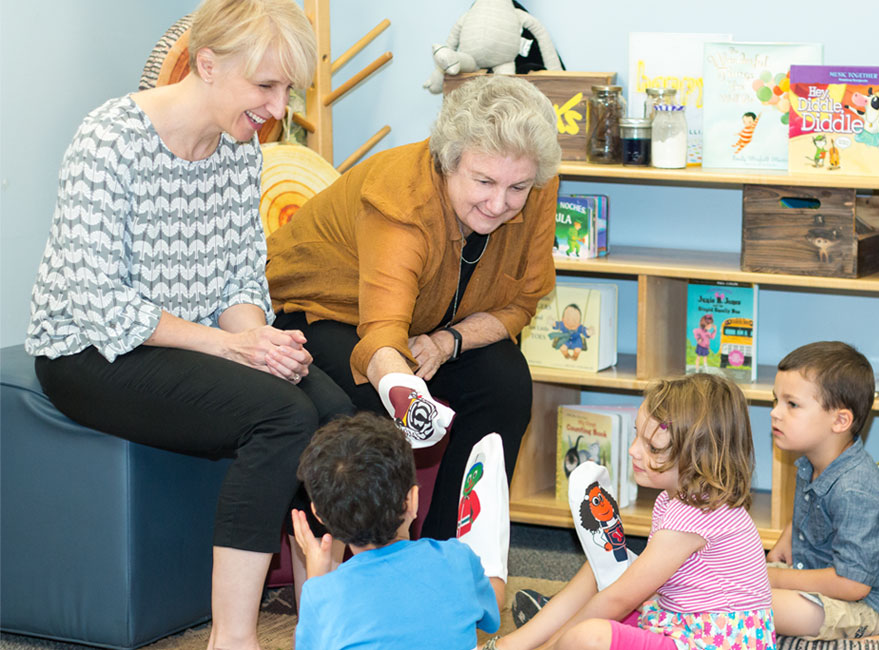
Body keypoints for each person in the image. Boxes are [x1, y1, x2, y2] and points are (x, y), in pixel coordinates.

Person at [23, 1, 352, 647]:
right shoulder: (110, 139)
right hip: (91, 349)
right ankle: (232, 638)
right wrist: (231, 347)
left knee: (336, 412)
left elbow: (238, 277)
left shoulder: (239, 149)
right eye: (266, 86)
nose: (278, 107)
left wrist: (257, 339)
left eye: (288, 89)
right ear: (207, 63)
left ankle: (325, 622)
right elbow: (98, 299)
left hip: (198, 341)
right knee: (282, 417)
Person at [265, 74, 562, 540]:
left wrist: (448, 343)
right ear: (448, 162)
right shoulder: (400, 201)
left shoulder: (538, 183)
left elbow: (523, 301)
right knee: (370, 405)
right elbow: (382, 334)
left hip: (433, 324)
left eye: (517, 188)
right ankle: (384, 562)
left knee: (506, 382)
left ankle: (455, 550)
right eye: (483, 180)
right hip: (324, 313)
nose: (499, 203)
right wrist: (405, 395)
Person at [495, 373, 775, 650]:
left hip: (706, 641)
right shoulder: (680, 500)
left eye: (653, 447)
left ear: (699, 455)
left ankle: (546, 639)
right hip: (680, 625)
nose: (633, 451)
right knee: (602, 563)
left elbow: (618, 600)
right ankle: (512, 644)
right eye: (636, 435)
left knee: (588, 636)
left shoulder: (692, 516)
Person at [291, 412, 504, 648]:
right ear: (413, 500)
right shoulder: (457, 558)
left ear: (319, 515)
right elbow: (492, 615)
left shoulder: (322, 595)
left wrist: (316, 579)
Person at [766, 341, 879, 639]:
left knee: (761, 604)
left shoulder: (856, 490)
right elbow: (819, 511)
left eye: (791, 404)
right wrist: (790, 533)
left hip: (869, 605)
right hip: (824, 581)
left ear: (841, 420)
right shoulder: (811, 463)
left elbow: (852, 584)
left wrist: (781, 579)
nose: (775, 413)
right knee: (734, 581)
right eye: (775, 401)